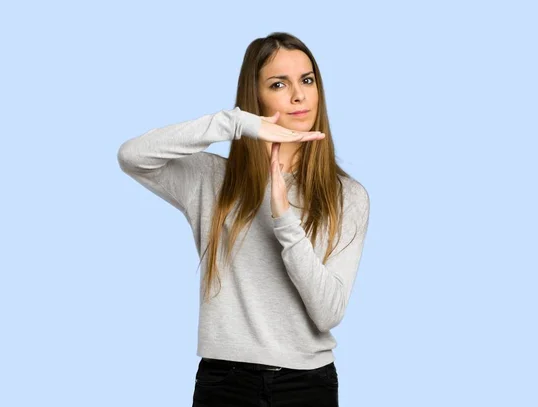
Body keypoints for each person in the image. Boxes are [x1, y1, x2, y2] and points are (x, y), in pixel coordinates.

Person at [117, 31, 370, 407]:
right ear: (255, 98)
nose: (298, 95)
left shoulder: (347, 196)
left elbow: (328, 313)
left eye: (307, 80)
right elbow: (132, 155)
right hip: (225, 382)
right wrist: (233, 124)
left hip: (307, 385)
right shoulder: (213, 181)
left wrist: (284, 220)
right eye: (278, 83)